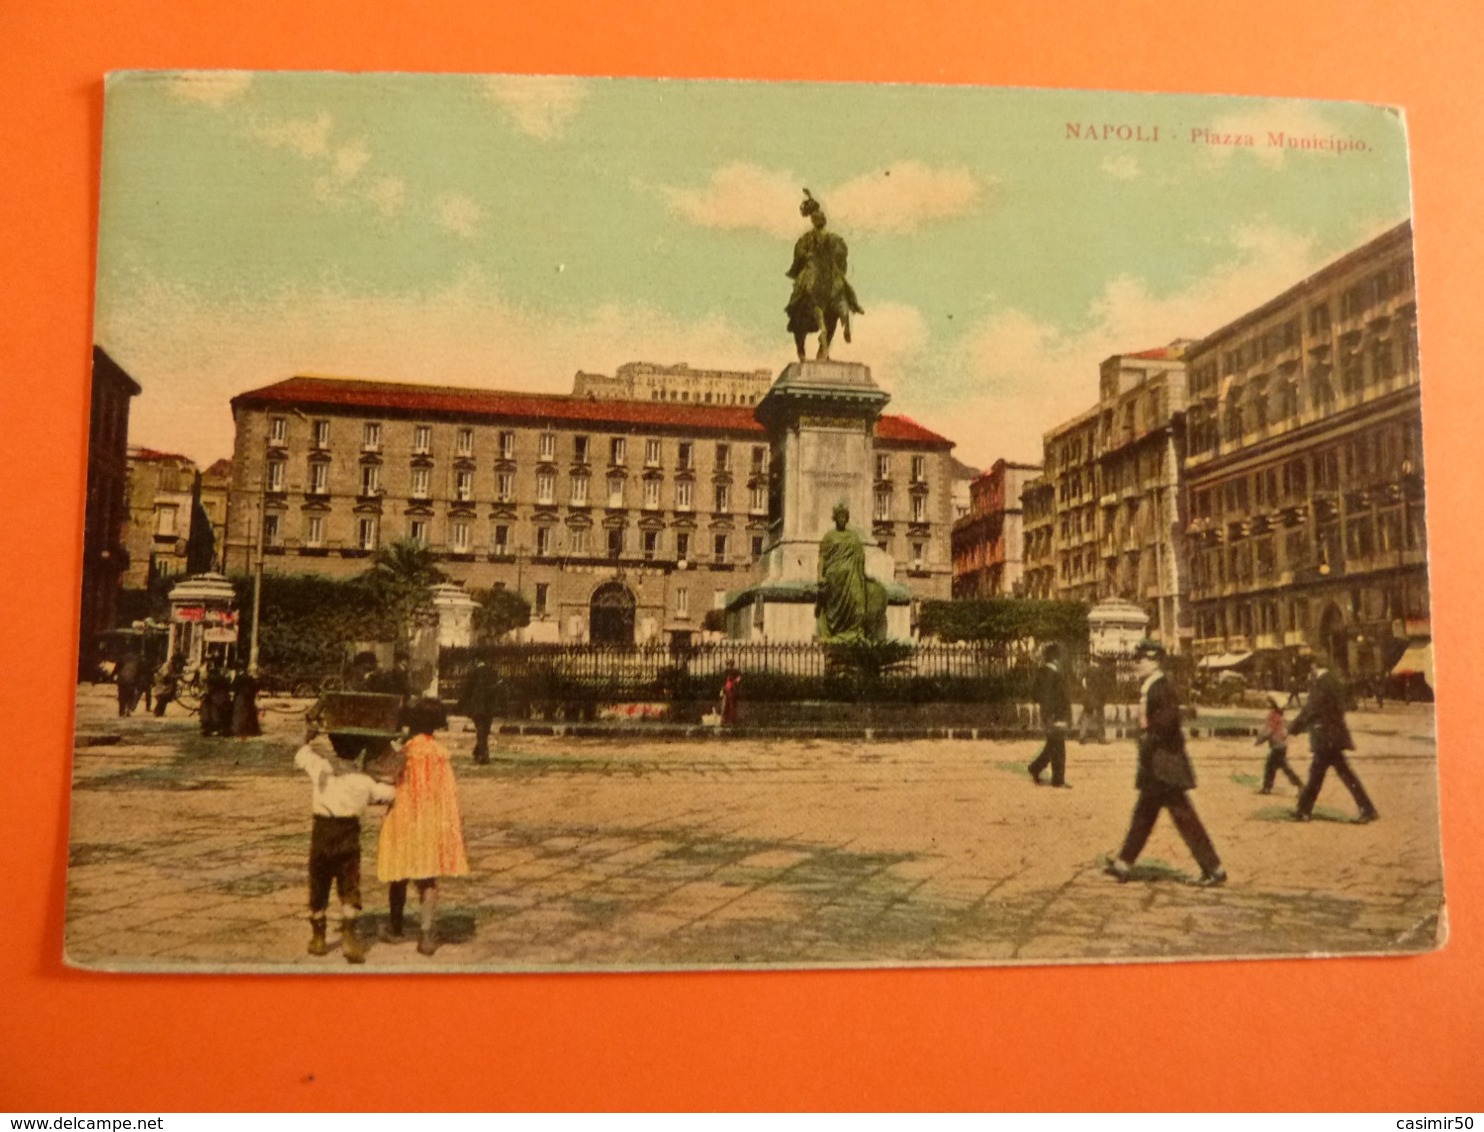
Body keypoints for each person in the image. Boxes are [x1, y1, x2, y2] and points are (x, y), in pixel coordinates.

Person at [1105, 639, 1226, 886]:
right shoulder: (1152, 685)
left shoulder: (1161, 687)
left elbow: (1169, 720)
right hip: (1158, 764)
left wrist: (1147, 738)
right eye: (1136, 660)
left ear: (1155, 661)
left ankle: (1214, 868)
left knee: (1181, 817)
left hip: (1165, 763)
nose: (1137, 664)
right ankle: (1124, 863)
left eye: (1141, 660)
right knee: (1145, 814)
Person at [294, 717, 396, 964]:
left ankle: (318, 937)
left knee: (318, 885)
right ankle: (350, 935)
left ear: (333, 745)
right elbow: (390, 794)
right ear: (360, 751)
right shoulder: (364, 781)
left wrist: (309, 735)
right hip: (348, 837)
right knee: (349, 886)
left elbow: (300, 751)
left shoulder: (320, 769)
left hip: (322, 833)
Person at [376, 698, 470, 955]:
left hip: (403, 817)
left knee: (399, 874)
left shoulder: (405, 751)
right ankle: (426, 934)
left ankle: (396, 928)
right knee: (428, 878)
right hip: (429, 820)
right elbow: (447, 792)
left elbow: (386, 776)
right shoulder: (441, 754)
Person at [1288, 656, 1379, 824]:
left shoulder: (1322, 683)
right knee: (1338, 775)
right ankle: (1367, 809)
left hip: (1325, 737)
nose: (1310, 674)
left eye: (1311, 670)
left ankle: (1303, 811)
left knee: (1318, 775)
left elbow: (1311, 708)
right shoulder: (1333, 680)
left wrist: (1293, 727)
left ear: (1314, 666)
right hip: (1333, 736)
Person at [785, 191, 864, 361]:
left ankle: (850, 305)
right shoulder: (818, 238)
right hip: (821, 268)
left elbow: (840, 254)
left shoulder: (821, 238)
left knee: (829, 284)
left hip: (821, 269)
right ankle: (799, 301)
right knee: (821, 283)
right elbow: (800, 253)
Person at [1027, 642, 1072, 787]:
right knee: (1059, 747)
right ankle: (1058, 780)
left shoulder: (1041, 673)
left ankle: (1035, 767)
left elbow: (1035, 695)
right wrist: (1059, 715)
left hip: (1048, 714)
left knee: (1052, 744)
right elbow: (1059, 697)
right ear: (1056, 658)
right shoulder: (1055, 675)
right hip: (1056, 714)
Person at [1255, 696, 1303, 794]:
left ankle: (1300, 785)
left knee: (1281, 767)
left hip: (1277, 746)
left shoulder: (1273, 715)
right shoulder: (1279, 715)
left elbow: (1268, 731)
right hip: (1280, 745)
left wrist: (1259, 740)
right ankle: (1267, 787)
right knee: (1271, 766)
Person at [459, 656, 499, 765]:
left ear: (476, 661)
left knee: (481, 731)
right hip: (489, 707)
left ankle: (483, 754)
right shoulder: (493, 672)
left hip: (477, 707)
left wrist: (461, 703)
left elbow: (467, 690)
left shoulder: (473, 673)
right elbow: (497, 690)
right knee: (485, 731)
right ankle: (479, 752)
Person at [1078, 656, 1114, 744]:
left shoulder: (1087, 670)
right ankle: (1101, 737)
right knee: (1100, 717)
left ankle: (1082, 736)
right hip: (1098, 697)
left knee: (1087, 715)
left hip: (1089, 696)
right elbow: (1105, 684)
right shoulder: (1101, 670)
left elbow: (1082, 682)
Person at [231, 668, 262, 738]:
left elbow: (233, 687)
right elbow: (256, 687)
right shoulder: (250, 678)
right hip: (249, 698)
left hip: (241, 697)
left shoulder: (238, 677)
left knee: (240, 714)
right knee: (250, 714)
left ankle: (239, 730)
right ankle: (252, 731)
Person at [116, 649, 142, 718]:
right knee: (130, 696)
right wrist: (138, 682)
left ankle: (121, 712)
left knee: (122, 697)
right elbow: (139, 672)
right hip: (132, 681)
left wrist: (112, 676)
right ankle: (128, 709)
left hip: (122, 680)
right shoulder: (137, 659)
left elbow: (116, 668)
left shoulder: (122, 658)